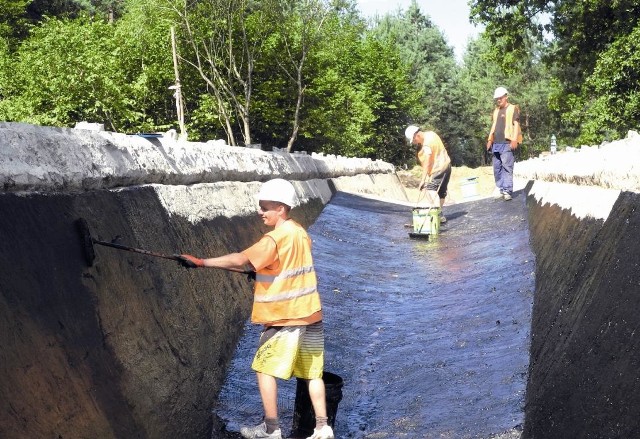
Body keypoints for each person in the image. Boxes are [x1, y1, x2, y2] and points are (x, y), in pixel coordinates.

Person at [176, 179, 333, 439]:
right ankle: (322, 427)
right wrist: (256, 272)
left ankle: (271, 429)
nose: (260, 212)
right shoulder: (299, 232)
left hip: (286, 316)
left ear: (281, 208)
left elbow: (242, 260)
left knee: (263, 368)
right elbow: (278, 267)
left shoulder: (274, 238)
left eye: (265, 207)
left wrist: (201, 262)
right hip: (311, 314)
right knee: (312, 373)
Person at [404, 125, 452, 223]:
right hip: (447, 165)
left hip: (439, 169)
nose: (415, 142)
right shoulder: (432, 134)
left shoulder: (426, 145)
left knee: (430, 189)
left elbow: (427, 162)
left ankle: (438, 214)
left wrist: (423, 180)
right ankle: (439, 215)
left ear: (416, 135)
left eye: (414, 140)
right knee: (441, 192)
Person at [486, 86, 522, 201]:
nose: (498, 100)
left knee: (507, 167)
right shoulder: (496, 111)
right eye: (497, 99)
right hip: (496, 143)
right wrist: (490, 139)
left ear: (506, 97)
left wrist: (514, 139)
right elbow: (494, 125)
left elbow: (516, 124)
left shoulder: (513, 108)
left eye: (500, 98)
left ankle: (507, 191)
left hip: (507, 142)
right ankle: (501, 189)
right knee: (497, 168)